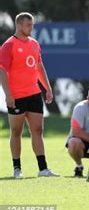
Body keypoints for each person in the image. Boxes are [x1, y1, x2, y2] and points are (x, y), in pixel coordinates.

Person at [0, 12, 58, 178]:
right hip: (17, 96)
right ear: (19, 25)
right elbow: (2, 71)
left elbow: (39, 67)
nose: (31, 28)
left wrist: (47, 88)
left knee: (38, 130)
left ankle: (43, 169)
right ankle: (17, 168)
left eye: (32, 25)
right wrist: (8, 94)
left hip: (34, 94)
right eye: (28, 25)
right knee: (16, 132)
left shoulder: (34, 44)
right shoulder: (8, 45)